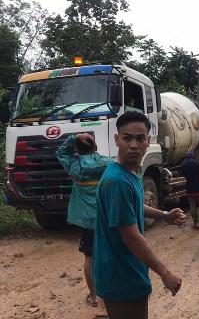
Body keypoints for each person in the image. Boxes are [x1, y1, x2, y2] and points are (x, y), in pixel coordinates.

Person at [93, 111, 184, 319]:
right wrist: (165, 273)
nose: (134, 145)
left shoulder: (130, 173)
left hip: (128, 269)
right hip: (120, 275)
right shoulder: (118, 181)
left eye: (140, 138)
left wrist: (164, 215)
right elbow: (130, 236)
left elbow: (134, 207)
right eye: (127, 138)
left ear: (148, 141)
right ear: (117, 140)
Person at [56, 133, 113, 317]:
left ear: (78, 150)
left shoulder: (75, 166)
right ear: (95, 146)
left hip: (87, 221)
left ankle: (94, 296)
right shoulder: (107, 163)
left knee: (90, 258)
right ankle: (107, 300)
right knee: (108, 258)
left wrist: (74, 137)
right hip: (107, 218)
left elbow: (61, 152)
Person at [179, 151, 199, 229]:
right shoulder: (198, 165)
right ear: (193, 157)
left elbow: (183, 175)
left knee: (192, 207)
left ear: (187, 158)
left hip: (190, 189)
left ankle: (195, 223)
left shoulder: (184, 166)